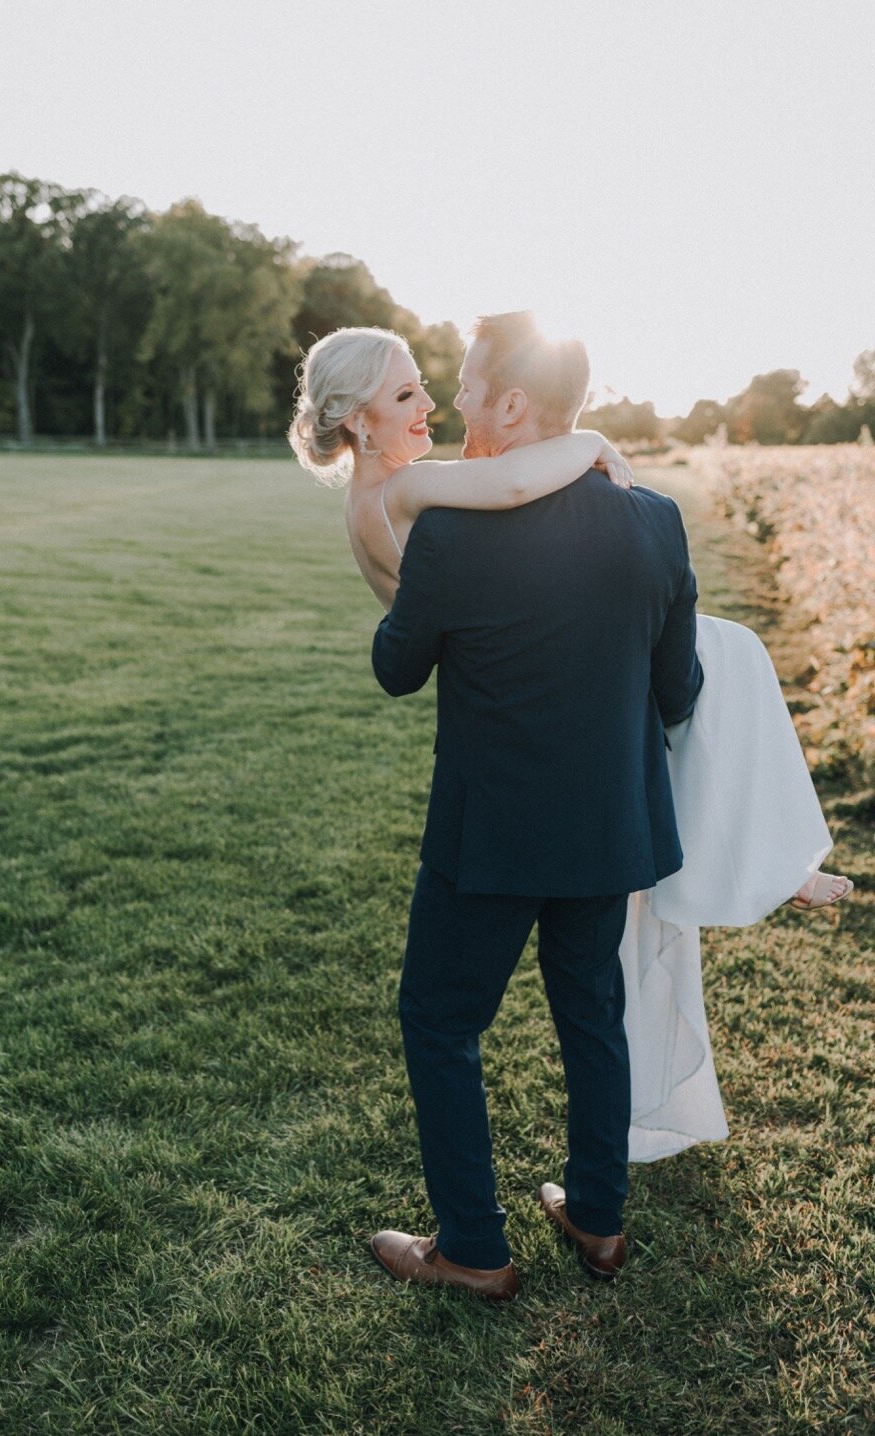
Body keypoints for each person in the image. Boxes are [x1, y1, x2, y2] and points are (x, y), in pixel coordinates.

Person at [288, 314, 847, 1301]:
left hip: (490, 835)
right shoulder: (655, 518)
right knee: (592, 1012)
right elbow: (677, 688)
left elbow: (396, 667)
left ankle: (473, 1244)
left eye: (462, 385)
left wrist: (416, 611)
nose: (455, 403)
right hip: (610, 827)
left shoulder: (452, 529)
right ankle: (596, 1218)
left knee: (439, 1019)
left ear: (510, 401)